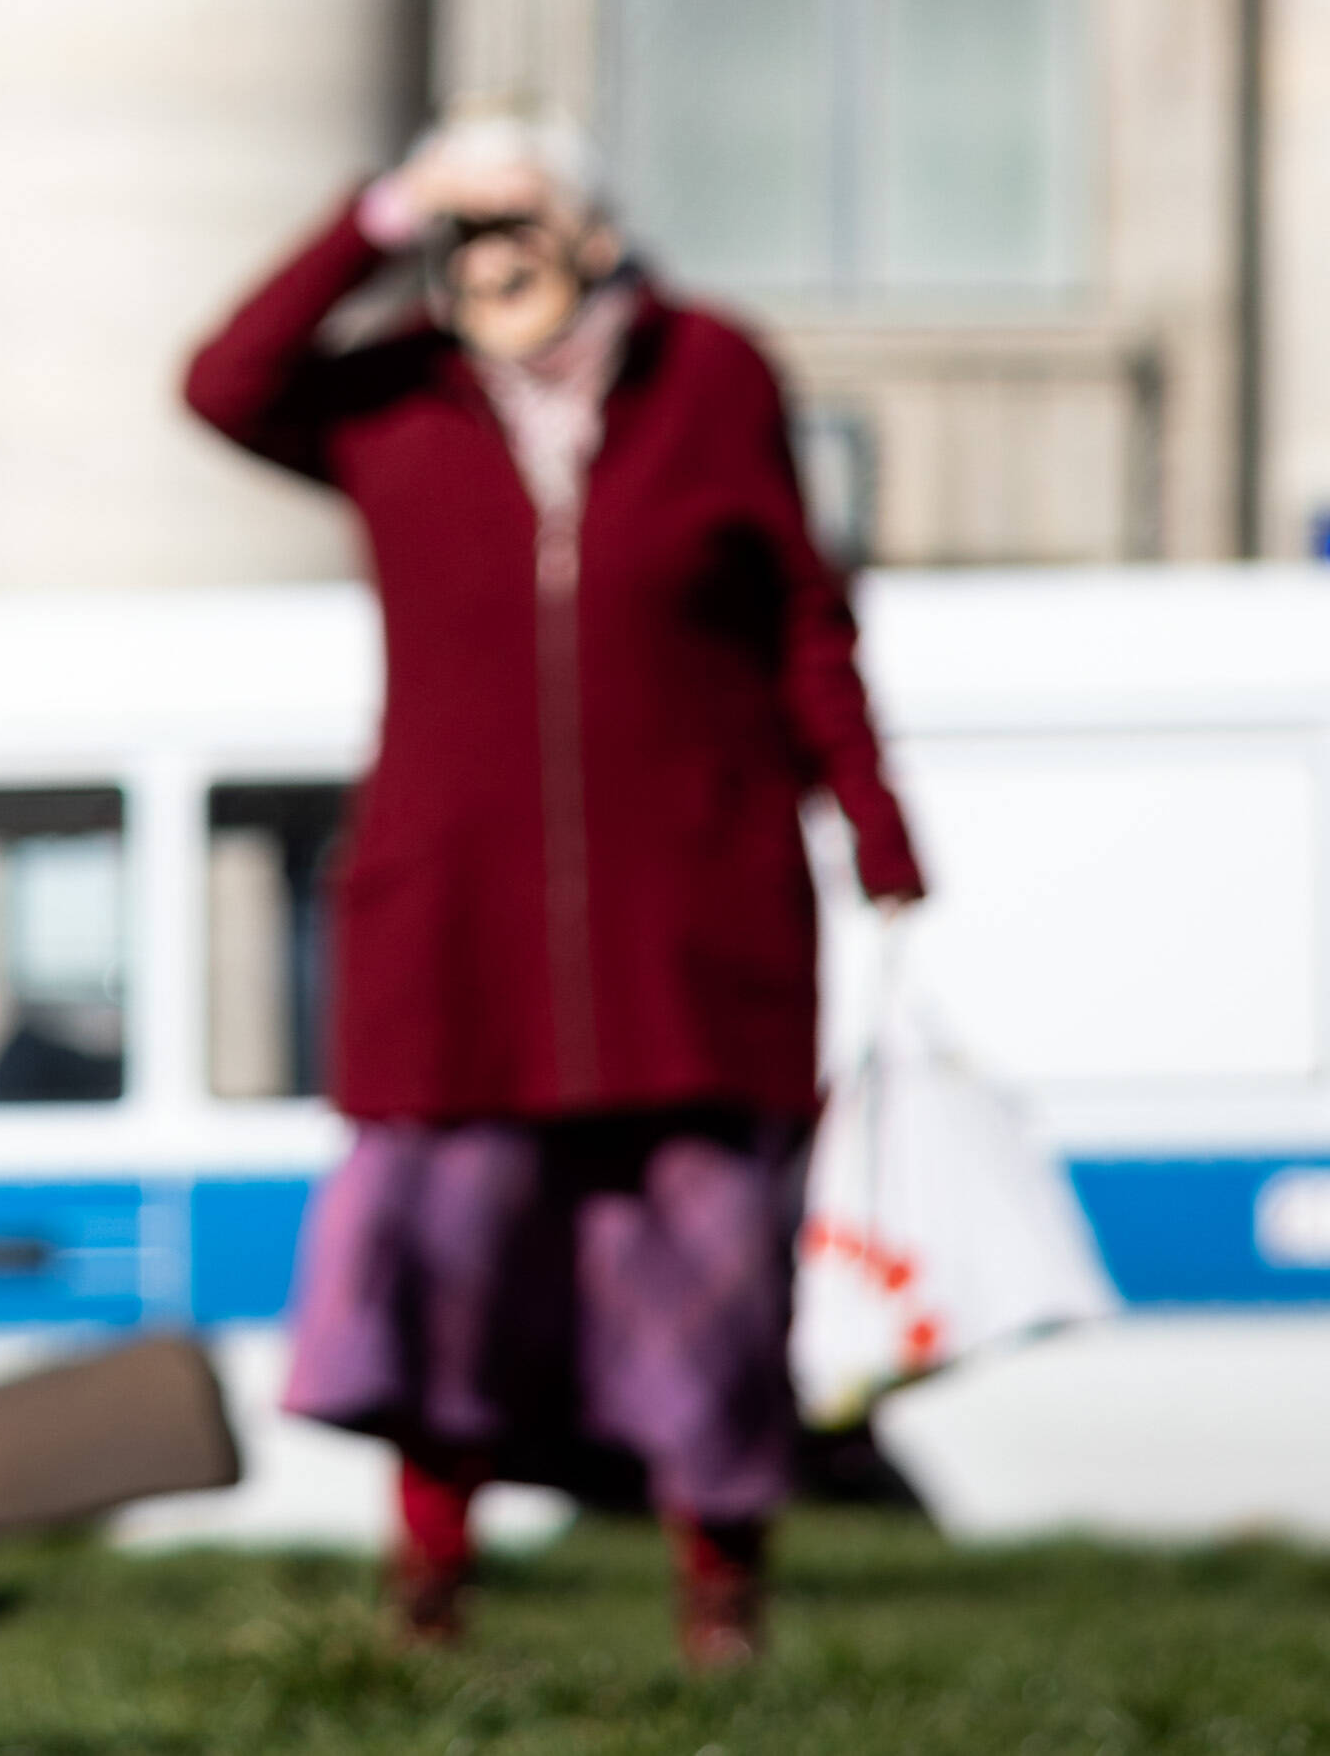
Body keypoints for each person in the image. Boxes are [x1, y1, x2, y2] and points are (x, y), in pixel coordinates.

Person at [181, 104, 923, 1668]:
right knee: (441, 1268)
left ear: (593, 231)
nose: (487, 258)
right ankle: (429, 1595)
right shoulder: (393, 399)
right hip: (457, 929)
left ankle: (723, 1598)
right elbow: (223, 380)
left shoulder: (708, 372)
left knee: (710, 1277)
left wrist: (871, 816)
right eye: (459, 235)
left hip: (693, 914)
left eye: (518, 221)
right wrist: (377, 213)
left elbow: (803, 604)